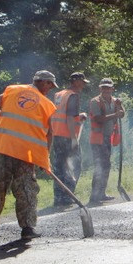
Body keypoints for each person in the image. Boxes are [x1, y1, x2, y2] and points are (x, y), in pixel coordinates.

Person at [0, 70, 58, 243]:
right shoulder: (46, 104)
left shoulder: (12, 90)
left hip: (3, 147)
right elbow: (49, 134)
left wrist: (4, 120)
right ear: (43, 82)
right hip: (25, 153)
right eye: (50, 85)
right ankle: (27, 229)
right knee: (26, 189)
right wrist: (46, 159)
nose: (51, 89)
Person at [50, 72, 89, 208]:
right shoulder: (73, 96)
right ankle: (67, 198)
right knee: (73, 166)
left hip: (57, 134)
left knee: (59, 167)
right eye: (82, 82)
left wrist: (80, 116)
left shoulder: (59, 95)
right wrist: (74, 139)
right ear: (76, 81)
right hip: (67, 136)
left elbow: (65, 114)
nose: (84, 85)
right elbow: (69, 118)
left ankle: (58, 198)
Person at [88, 77, 125, 204]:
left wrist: (120, 106)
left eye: (108, 88)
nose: (106, 90)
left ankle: (101, 194)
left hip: (107, 137)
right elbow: (98, 118)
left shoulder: (114, 101)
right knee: (100, 166)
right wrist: (115, 115)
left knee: (106, 165)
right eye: (104, 87)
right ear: (100, 88)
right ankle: (94, 196)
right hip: (98, 139)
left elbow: (122, 114)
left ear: (112, 89)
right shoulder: (95, 101)